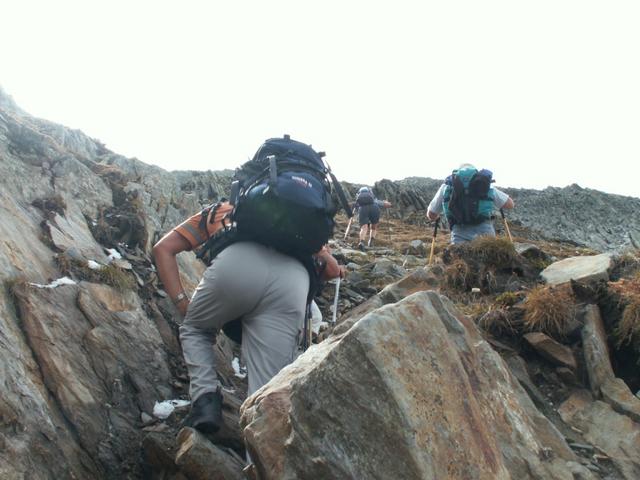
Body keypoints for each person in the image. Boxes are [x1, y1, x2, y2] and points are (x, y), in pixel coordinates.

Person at [153, 203, 345, 434]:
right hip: (293, 282)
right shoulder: (298, 220)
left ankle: (205, 402)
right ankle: (258, 447)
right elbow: (331, 271)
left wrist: (182, 302)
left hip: (235, 265)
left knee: (196, 329)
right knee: (268, 396)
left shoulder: (224, 208)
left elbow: (163, 248)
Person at [427, 163, 514, 244]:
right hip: (486, 234)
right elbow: (510, 204)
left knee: (459, 254)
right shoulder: (484, 183)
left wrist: (436, 217)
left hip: (459, 235)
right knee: (490, 254)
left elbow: (431, 214)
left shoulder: (447, 186)